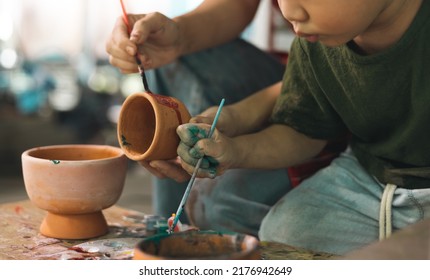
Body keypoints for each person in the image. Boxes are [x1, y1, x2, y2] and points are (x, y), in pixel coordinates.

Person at [175, 0, 430, 255]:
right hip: (368, 178)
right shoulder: (316, 44)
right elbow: (303, 131)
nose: (289, 11)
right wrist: (234, 151)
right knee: (283, 233)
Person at [106, 0, 295, 235]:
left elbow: (313, 77)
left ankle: (187, 243)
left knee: (217, 204)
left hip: (311, 71)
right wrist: (178, 37)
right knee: (158, 52)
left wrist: (235, 134)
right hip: (299, 67)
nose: (293, 13)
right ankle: (171, 237)